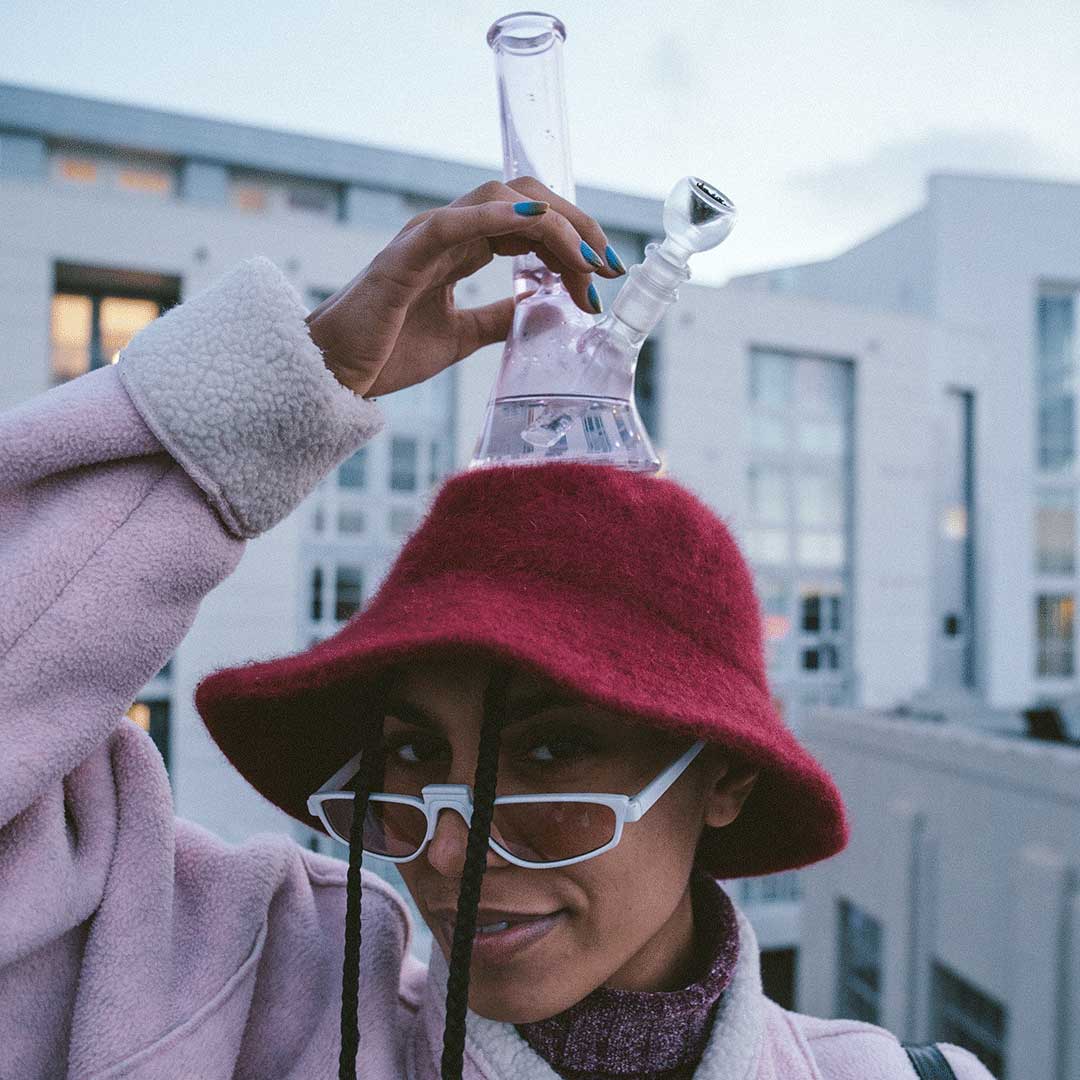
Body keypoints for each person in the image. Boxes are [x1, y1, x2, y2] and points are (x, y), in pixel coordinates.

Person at [0, 177, 997, 1080]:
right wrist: (282, 393)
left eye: (552, 750)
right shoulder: (244, 1006)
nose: (440, 855)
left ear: (724, 775)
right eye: (407, 755)